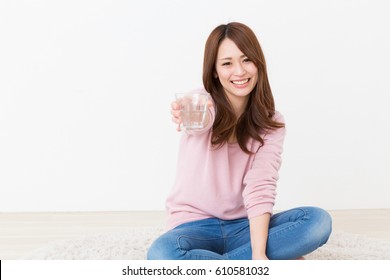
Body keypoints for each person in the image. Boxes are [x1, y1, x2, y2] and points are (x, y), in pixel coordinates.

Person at [147, 22, 332, 260]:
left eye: (246, 60)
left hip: (243, 228)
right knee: (162, 254)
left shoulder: (271, 123)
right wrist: (190, 112)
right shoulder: (203, 103)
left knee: (317, 222)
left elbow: (260, 185)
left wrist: (258, 253)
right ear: (214, 70)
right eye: (227, 63)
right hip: (192, 228)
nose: (239, 71)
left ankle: (227, 264)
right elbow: (199, 119)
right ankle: (257, 263)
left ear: (258, 62)